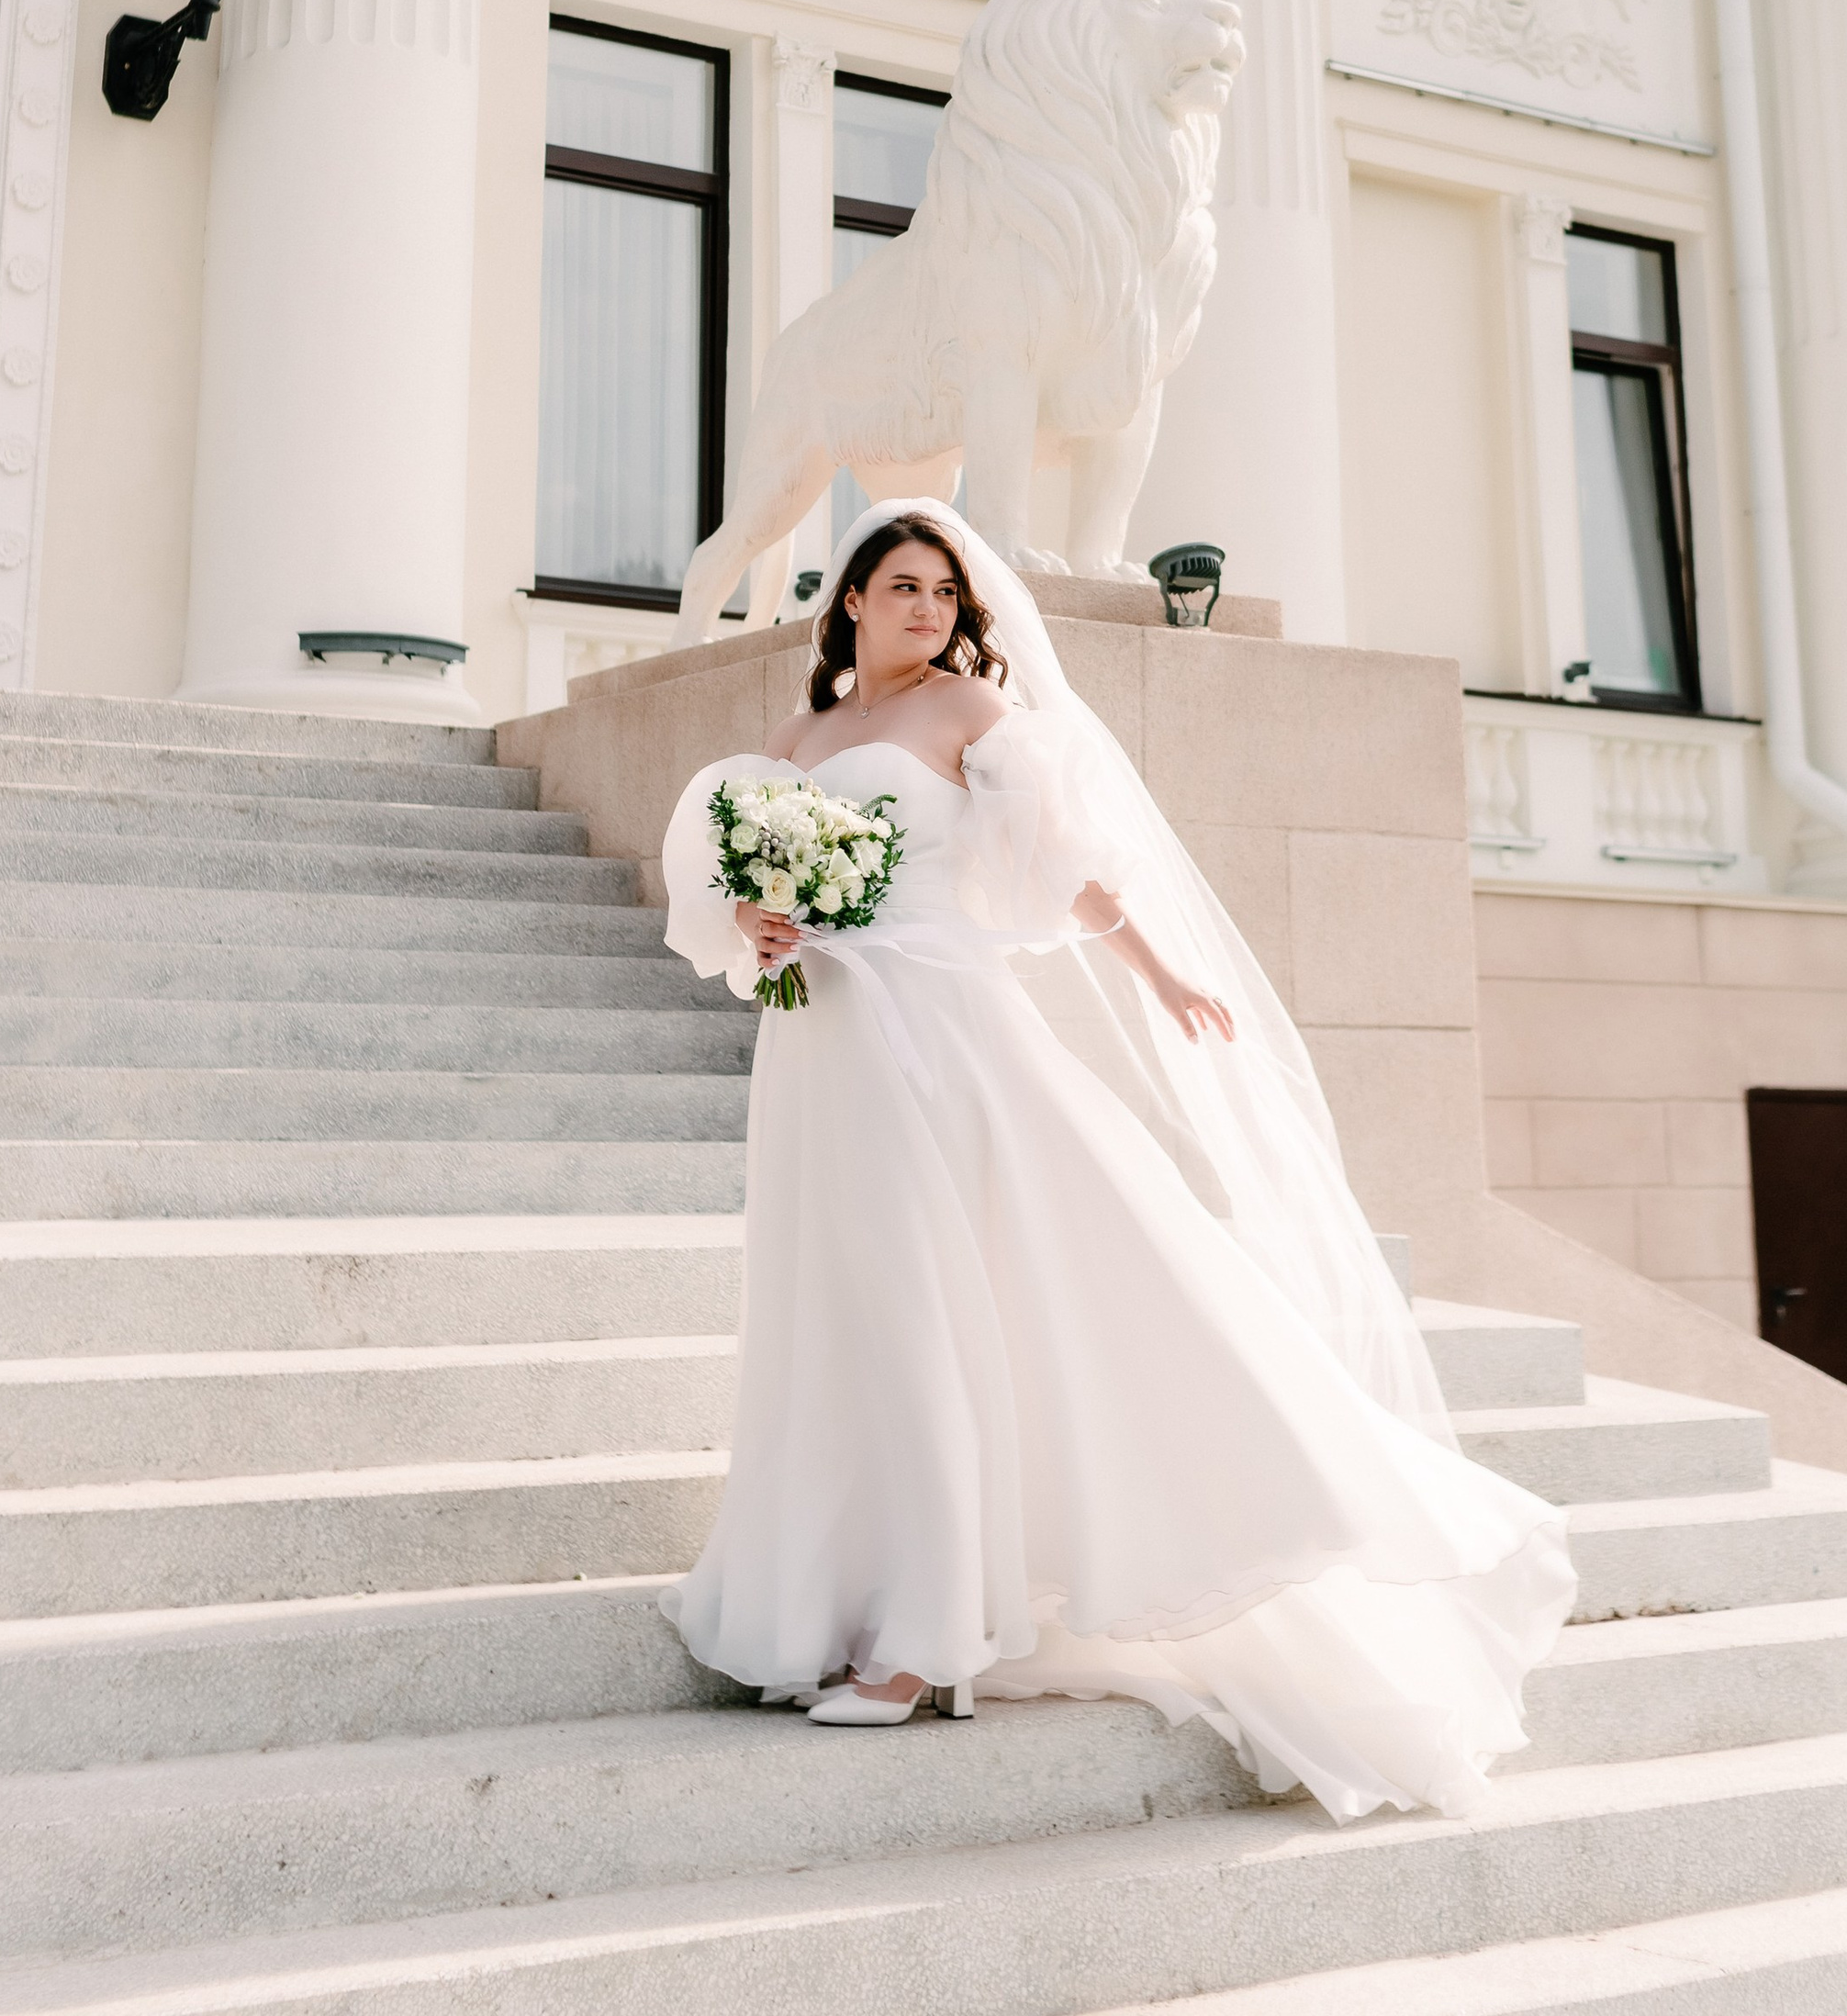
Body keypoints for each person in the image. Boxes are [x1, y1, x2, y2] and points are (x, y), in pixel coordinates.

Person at [657, 498, 1573, 1819]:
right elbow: (757, 903)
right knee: (839, 1312)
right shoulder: (794, 741)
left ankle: (923, 1642)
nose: (925, 610)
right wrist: (768, 924)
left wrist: (1159, 973)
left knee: (929, 1307)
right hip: (822, 1046)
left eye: (942, 595)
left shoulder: (970, 715)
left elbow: (1066, 873)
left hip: (942, 1030)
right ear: (849, 600)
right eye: (902, 588)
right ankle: (837, 1604)